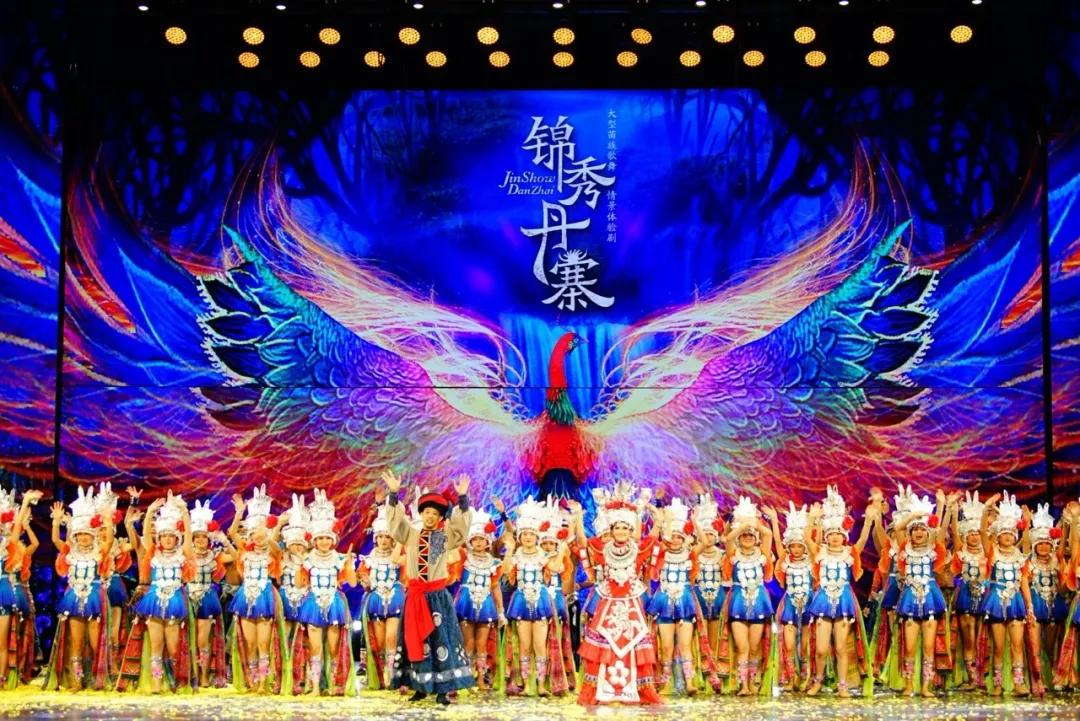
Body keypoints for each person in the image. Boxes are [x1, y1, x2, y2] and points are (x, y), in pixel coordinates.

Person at [379, 469, 474, 706]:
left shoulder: (441, 537)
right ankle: (419, 686)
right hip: (416, 596)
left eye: (435, 513)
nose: (430, 516)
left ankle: (443, 689)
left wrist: (462, 499)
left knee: (440, 640)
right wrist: (393, 493)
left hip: (436, 597)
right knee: (416, 640)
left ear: (440, 516)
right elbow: (395, 525)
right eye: (427, 512)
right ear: (421, 514)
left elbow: (459, 533)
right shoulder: (411, 535)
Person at [576, 482, 661, 706]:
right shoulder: (602, 550)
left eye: (625, 528)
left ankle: (636, 691)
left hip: (632, 605)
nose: (621, 531)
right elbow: (583, 543)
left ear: (631, 531)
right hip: (608, 605)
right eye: (617, 528)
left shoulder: (639, 550)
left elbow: (653, 538)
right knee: (603, 645)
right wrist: (578, 519)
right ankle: (602, 691)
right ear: (611, 530)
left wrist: (659, 519)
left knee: (633, 644)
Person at [45, 486, 113, 691]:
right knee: (76, 642)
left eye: (87, 534)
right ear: (75, 536)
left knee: (95, 642)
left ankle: (96, 679)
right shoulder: (70, 552)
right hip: (74, 598)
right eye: (80, 534)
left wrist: (107, 519)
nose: (83, 537)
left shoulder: (99, 552)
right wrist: (56, 522)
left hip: (93, 597)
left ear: (93, 535)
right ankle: (76, 681)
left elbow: (110, 540)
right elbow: (55, 540)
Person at [295, 489, 358, 696]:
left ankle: (332, 685)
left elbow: (352, 583)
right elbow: (298, 584)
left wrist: (348, 565)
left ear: (333, 540)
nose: (324, 541)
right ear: (314, 540)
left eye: (327, 538)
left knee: (333, 649)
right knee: (315, 648)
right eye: (320, 538)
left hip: (334, 603)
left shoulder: (339, 559)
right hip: (313, 603)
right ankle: (315, 687)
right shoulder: (307, 560)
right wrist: (298, 565)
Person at [227, 486, 286, 694]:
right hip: (246, 597)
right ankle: (252, 681)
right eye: (253, 534)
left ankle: (263, 682)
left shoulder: (273, 553)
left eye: (260, 534)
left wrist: (271, 528)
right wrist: (239, 512)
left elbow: (276, 548)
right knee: (250, 643)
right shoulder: (244, 551)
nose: (257, 537)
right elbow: (232, 533)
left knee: (263, 643)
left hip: (264, 597)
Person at [979, 491, 1037, 697]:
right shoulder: (992, 552)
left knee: (1017, 646)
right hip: (996, 601)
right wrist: (986, 508)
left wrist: (1029, 607)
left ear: (1015, 536)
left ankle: (1018, 683)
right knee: (998, 646)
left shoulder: (1019, 557)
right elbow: (982, 532)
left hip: (1016, 602)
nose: (1008, 536)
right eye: (1004, 533)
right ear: (998, 535)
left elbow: (1024, 583)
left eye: (1011, 534)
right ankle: (996, 684)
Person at [450, 509, 505, 692]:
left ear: (488, 541)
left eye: (482, 539)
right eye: (475, 539)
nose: (479, 542)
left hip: (486, 605)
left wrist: (500, 611)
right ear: (470, 541)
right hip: (466, 604)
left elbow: (495, 587)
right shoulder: (464, 558)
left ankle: (480, 678)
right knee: (469, 643)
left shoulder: (494, 563)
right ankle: (465, 678)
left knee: (482, 644)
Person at [763, 501, 813, 693]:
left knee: (805, 647)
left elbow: (813, 541)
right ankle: (791, 679)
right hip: (790, 604)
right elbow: (777, 542)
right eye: (793, 546)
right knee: (790, 645)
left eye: (800, 546)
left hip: (808, 604)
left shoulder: (811, 560)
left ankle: (805, 678)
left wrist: (813, 520)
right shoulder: (785, 562)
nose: (796, 550)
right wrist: (775, 521)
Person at [358, 506, 405, 690]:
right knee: (378, 643)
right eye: (380, 537)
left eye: (387, 536)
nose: (384, 540)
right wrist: (365, 582)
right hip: (376, 601)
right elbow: (362, 581)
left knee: (391, 638)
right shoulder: (367, 560)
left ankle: (392, 677)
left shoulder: (399, 557)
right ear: (375, 538)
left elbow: (407, 574)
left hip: (395, 599)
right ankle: (379, 678)